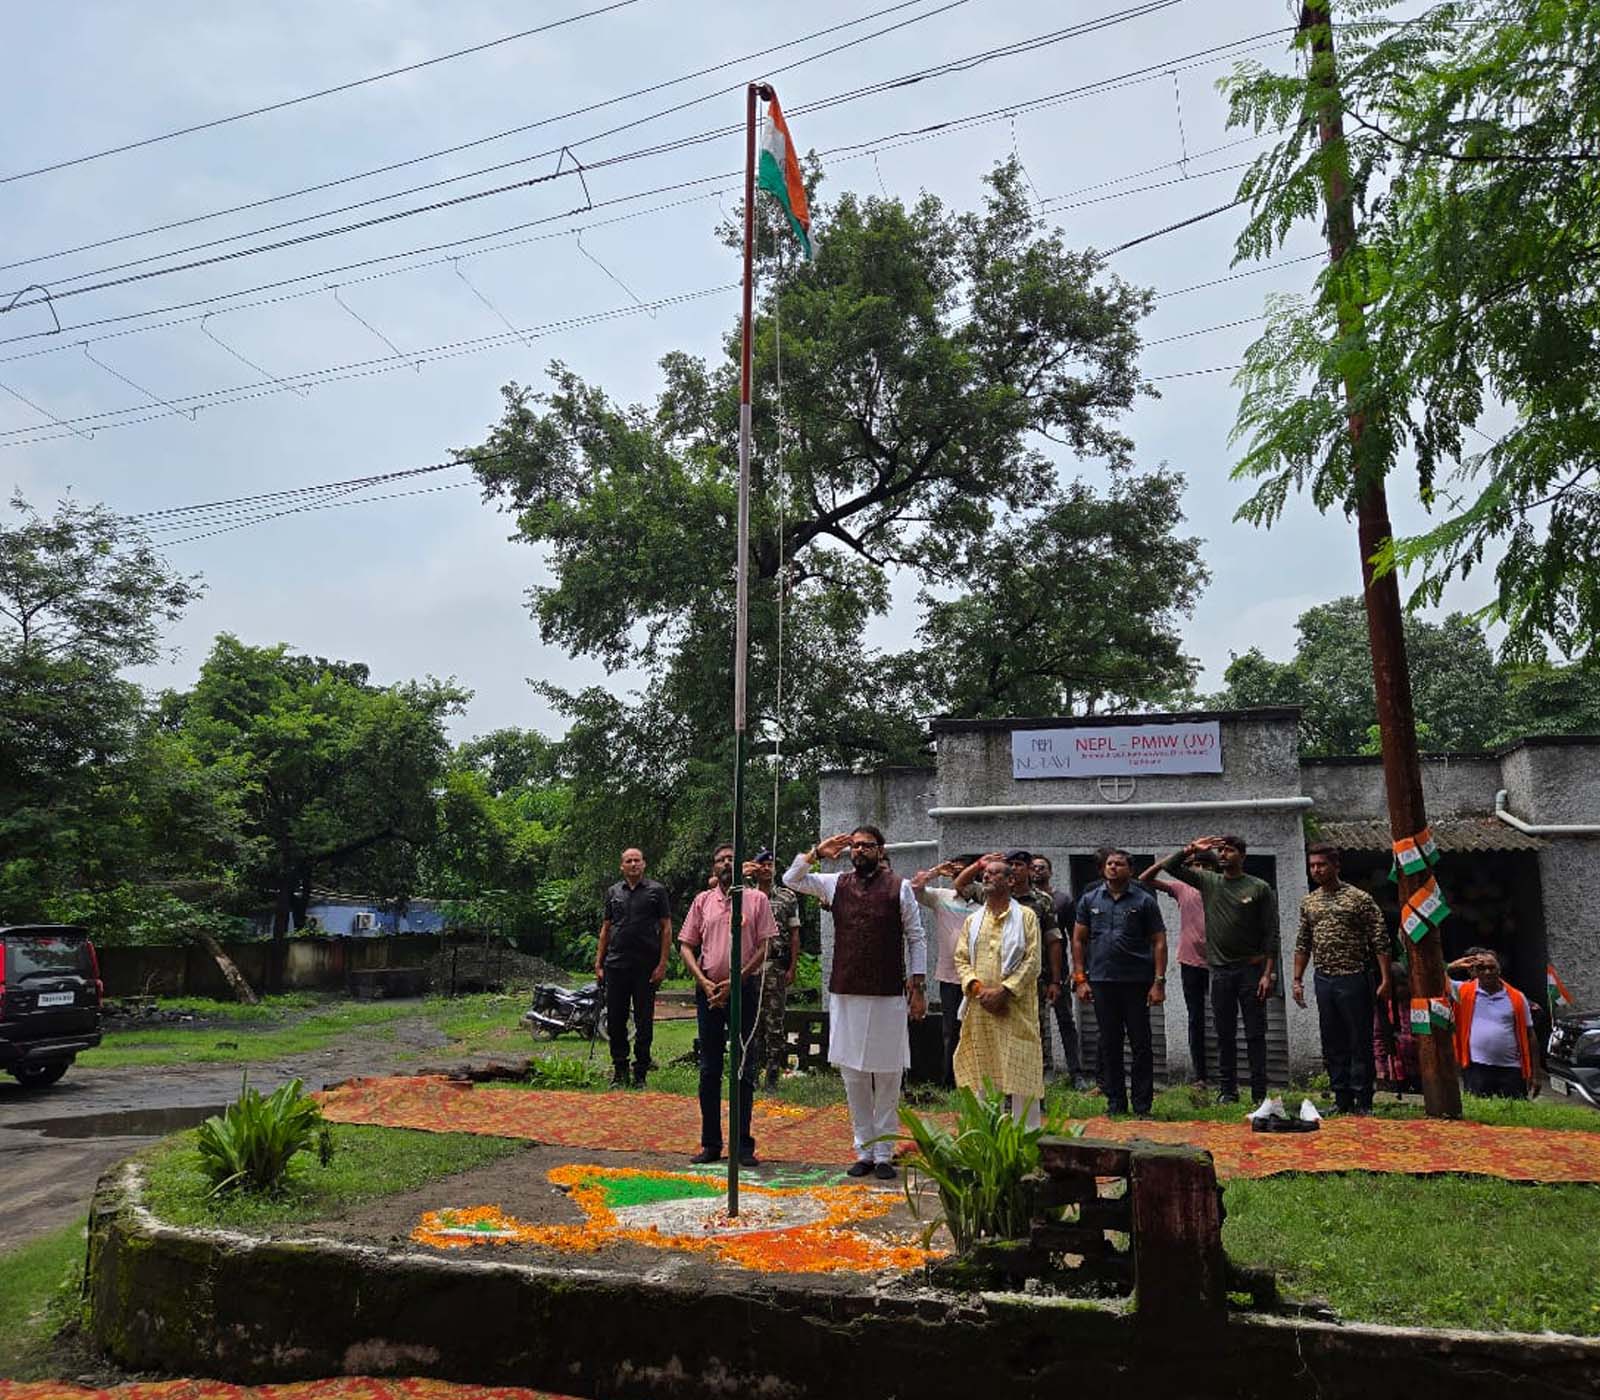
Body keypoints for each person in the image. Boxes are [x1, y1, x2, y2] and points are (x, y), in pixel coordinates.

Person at [784, 826, 927, 1181]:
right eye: (855, 846)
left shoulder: (900, 887)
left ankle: (884, 1152)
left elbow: (916, 936)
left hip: (888, 993)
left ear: (881, 850)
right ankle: (863, 1149)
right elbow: (791, 879)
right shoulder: (836, 883)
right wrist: (816, 851)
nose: (860, 851)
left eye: (867, 846)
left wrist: (919, 985)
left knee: (888, 1073)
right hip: (847, 991)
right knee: (854, 1074)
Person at [1158, 834, 1279, 1105]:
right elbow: (1170, 868)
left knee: (1254, 1033)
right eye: (1220, 850)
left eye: (1230, 850)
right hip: (1220, 971)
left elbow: (1271, 934)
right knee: (1224, 1033)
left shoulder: (1259, 888)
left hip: (1251, 970)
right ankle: (1228, 1090)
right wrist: (1190, 848)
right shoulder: (1208, 881)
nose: (1223, 854)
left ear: (1243, 856)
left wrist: (1268, 974)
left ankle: (1259, 1092)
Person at [678, 842, 778, 1165]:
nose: (725, 864)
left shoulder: (757, 899)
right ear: (713, 868)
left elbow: (765, 946)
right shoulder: (702, 901)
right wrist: (703, 982)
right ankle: (710, 1143)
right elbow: (686, 946)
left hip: (742, 990)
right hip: (708, 992)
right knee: (709, 1068)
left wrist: (737, 979)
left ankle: (743, 1144)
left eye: (731, 859)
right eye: (720, 860)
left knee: (744, 1067)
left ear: (741, 866)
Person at [1292, 844, 1392, 1115]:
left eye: (1321, 865)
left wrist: (1385, 978)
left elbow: (1380, 939)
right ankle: (1341, 1098)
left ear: (1336, 866)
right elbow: (1303, 942)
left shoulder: (1359, 898)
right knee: (1333, 1040)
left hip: (1354, 977)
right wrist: (1297, 979)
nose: (1316, 870)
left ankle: (1364, 1100)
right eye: (1312, 866)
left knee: (1359, 1040)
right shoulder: (1309, 902)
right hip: (1324, 979)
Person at [1071, 849, 1167, 1118]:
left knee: (1141, 1044)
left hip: (1137, 982)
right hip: (1102, 981)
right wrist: (1080, 978)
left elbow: (1159, 941)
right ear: (1103, 869)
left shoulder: (1145, 901)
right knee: (1109, 1044)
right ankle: (1115, 1103)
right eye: (1110, 864)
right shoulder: (1089, 899)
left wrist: (1159, 981)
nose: (1114, 867)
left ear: (1130, 870)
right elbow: (1078, 939)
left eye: (1120, 864)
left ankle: (1142, 1105)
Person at [953, 856, 1044, 1125]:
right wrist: (978, 988)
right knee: (982, 1072)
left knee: (1021, 1072)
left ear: (1011, 881)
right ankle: (984, 1139)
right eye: (986, 874)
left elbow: (1032, 960)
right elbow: (960, 958)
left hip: (1015, 1007)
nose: (987, 877)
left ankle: (1026, 1139)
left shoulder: (1026, 917)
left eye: (994, 874)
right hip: (981, 1007)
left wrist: (1004, 991)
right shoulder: (973, 920)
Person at [1140, 848, 1219, 1090]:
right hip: (1190, 961)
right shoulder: (1182, 888)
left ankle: (1228, 1078)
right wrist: (1175, 856)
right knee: (1196, 1018)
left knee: (1222, 1018)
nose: (1201, 870)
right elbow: (1145, 879)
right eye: (1196, 865)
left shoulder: (1222, 887)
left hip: (1221, 962)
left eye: (1206, 866)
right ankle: (1200, 1077)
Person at [594, 848, 673, 1088]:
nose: (633, 864)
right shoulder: (613, 892)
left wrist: (662, 964)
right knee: (616, 1020)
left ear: (644, 864)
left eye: (637, 860)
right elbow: (606, 928)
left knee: (643, 1021)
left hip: (646, 967)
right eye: (628, 861)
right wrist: (598, 962)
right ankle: (620, 1070)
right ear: (622, 866)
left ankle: (641, 1072)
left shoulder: (656, 891)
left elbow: (667, 928)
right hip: (616, 965)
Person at [910, 858, 978, 1088]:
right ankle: (949, 1081)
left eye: (964, 873)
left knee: (978, 1030)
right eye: (955, 874)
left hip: (979, 978)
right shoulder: (942, 897)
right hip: (950, 977)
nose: (959, 879)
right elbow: (914, 888)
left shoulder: (985, 903)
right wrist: (935, 871)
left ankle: (975, 1082)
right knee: (951, 1030)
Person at [1031, 855, 1092, 1091]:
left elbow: (1075, 936)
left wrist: (1076, 970)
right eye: (1033, 867)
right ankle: (1043, 1072)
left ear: (1051, 871)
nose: (1037, 871)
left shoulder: (1062, 900)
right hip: (1032, 973)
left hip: (1058, 972)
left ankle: (1076, 1073)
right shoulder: (1022, 901)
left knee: (1066, 1021)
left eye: (1042, 867)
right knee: (1035, 1025)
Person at [1447, 946, 1533, 1099]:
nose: (1487, 972)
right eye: (1481, 968)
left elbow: (1530, 1036)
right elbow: (1431, 976)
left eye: (1491, 967)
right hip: (1477, 1068)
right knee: (1479, 1118)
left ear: (1499, 969)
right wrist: (1454, 966)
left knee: (1513, 1118)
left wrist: (1536, 1072)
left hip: (1511, 1070)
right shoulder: (1462, 991)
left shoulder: (1517, 997)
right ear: (1474, 972)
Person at [747, 848, 802, 1088]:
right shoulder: (746, 896)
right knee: (753, 1021)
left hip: (776, 966)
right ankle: (752, 1072)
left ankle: (772, 1073)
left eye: (770, 865)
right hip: (751, 967)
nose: (766, 868)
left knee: (775, 1022)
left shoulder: (787, 897)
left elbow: (795, 934)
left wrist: (792, 967)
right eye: (762, 864)